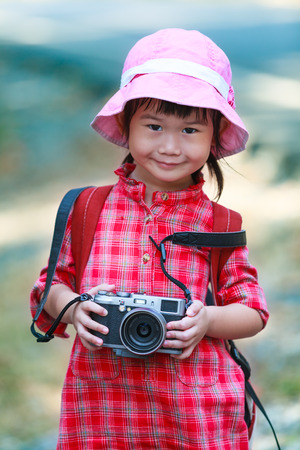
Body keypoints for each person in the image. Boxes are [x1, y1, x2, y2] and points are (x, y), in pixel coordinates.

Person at [30, 28, 269, 449]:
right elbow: (49, 286)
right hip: (104, 412)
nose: (171, 146)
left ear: (214, 137)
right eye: (154, 126)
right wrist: (73, 309)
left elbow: (252, 311)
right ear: (126, 123)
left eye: (191, 130)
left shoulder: (220, 223)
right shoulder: (87, 209)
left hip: (195, 416)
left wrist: (208, 321)